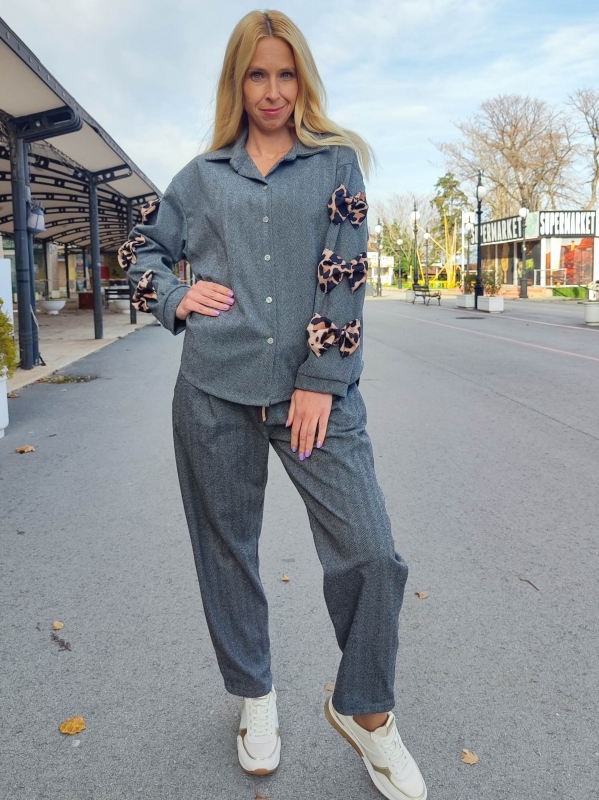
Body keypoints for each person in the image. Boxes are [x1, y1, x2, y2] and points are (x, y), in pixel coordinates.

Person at [120, 10, 426, 800]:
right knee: (227, 552)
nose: (272, 91)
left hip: (313, 396)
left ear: (304, 81)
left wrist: (320, 381)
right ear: (236, 81)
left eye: (285, 75)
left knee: (371, 551)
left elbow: (345, 273)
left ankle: (364, 713)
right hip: (214, 390)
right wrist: (179, 295)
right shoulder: (199, 177)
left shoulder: (337, 168)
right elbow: (140, 250)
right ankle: (255, 697)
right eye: (257, 74)